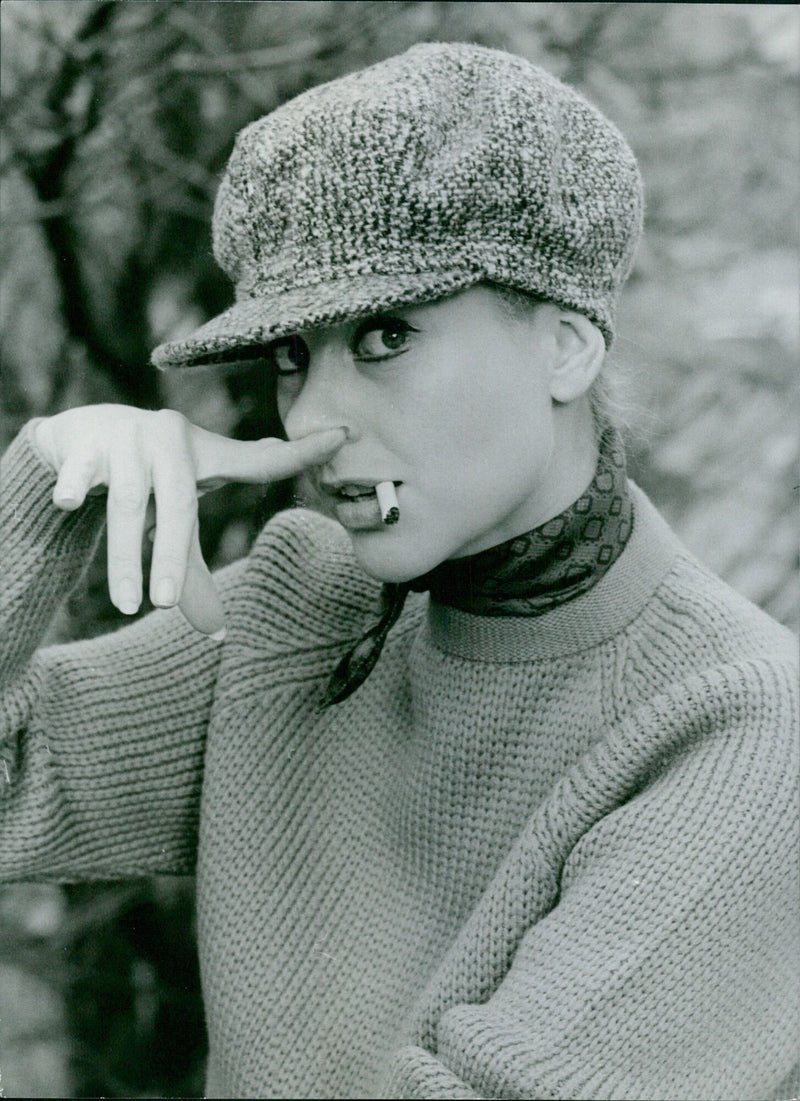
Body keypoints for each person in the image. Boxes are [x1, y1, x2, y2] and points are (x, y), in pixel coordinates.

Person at [1, 42, 797, 1101]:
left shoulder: (737, 724)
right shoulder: (296, 613)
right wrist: (46, 490)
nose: (315, 418)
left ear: (565, 346)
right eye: (292, 356)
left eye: (383, 336)